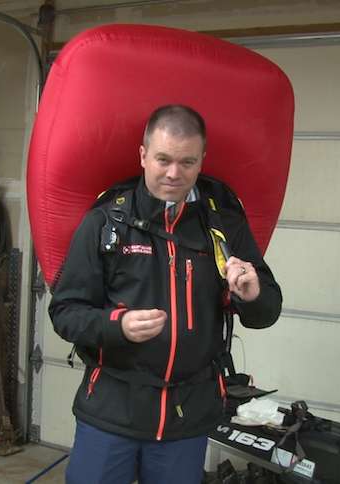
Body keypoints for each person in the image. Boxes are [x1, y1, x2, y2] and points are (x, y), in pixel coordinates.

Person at [49, 104, 282, 483]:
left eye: (187, 162)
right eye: (163, 159)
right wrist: (117, 325)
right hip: (111, 413)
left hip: (185, 420)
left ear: (202, 159)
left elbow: (267, 312)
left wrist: (252, 293)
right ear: (143, 155)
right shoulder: (106, 222)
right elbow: (65, 312)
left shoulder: (222, 224)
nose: (174, 173)